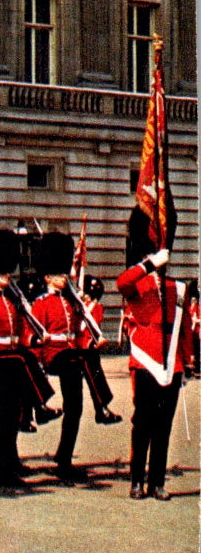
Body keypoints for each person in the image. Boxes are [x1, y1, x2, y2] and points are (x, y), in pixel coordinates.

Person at [0, 229, 63, 494]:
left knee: (9, 416)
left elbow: (22, 331)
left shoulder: (12, 301)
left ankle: (6, 467)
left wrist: (34, 341)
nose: (7, 277)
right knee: (20, 361)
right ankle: (41, 404)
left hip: (13, 360)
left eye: (8, 272)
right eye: (2, 273)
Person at [31, 232, 120, 486]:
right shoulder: (41, 303)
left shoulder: (71, 302)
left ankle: (64, 457)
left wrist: (91, 342)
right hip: (53, 356)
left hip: (71, 355)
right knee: (76, 363)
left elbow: (79, 330)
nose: (64, 278)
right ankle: (100, 407)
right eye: (59, 275)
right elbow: (35, 336)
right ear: (48, 277)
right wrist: (39, 365)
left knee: (75, 407)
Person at [118, 208, 195, 500]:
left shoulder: (178, 287)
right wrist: (149, 264)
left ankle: (157, 483)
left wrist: (187, 361)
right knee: (143, 424)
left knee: (163, 426)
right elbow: (121, 282)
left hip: (170, 365)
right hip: (146, 361)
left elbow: (185, 326)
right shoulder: (138, 284)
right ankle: (137, 480)